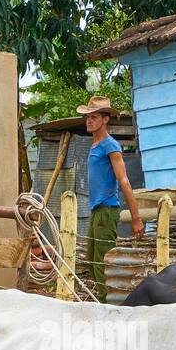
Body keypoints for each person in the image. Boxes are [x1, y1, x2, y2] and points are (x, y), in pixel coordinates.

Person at [77, 96, 144, 300]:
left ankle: (109, 304)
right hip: (96, 209)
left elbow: (124, 181)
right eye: (87, 117)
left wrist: (136, 218)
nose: (89, 121)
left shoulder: (110, 145)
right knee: (91, 260)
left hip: (108, 209)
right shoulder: (95, 145)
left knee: (103, 261)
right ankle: (104, 299)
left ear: (105, 119)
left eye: (94, 117)